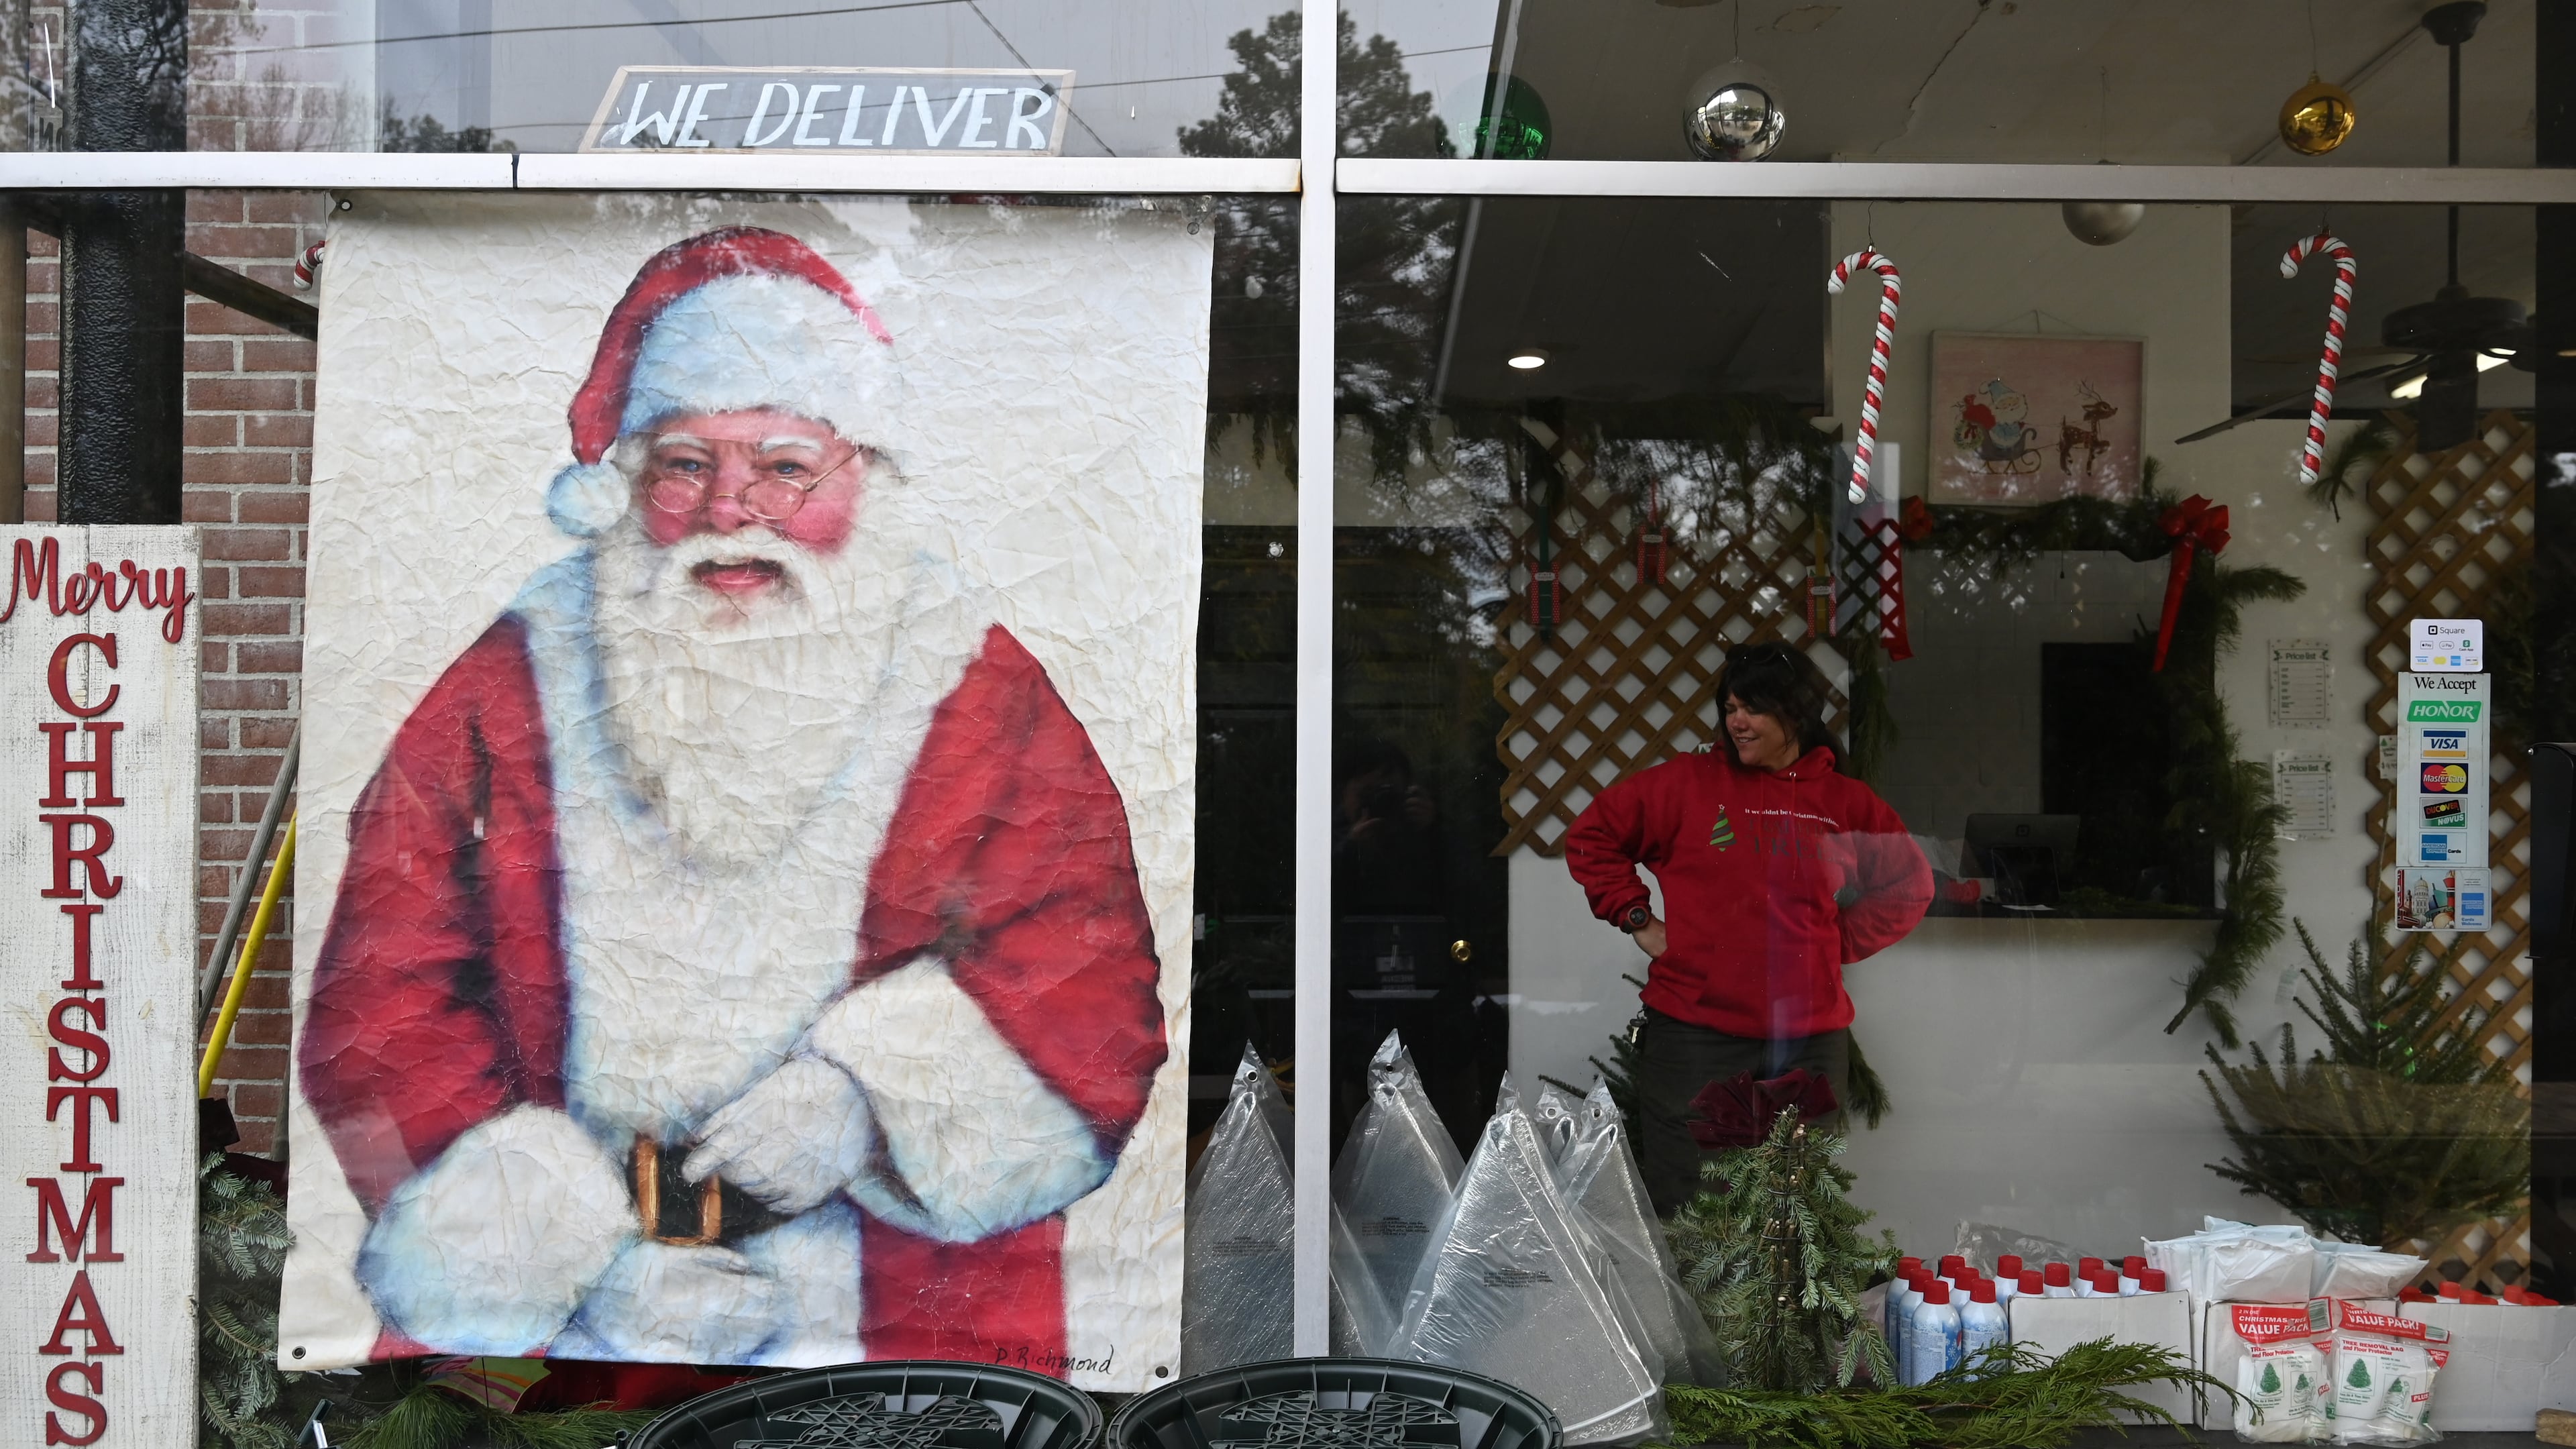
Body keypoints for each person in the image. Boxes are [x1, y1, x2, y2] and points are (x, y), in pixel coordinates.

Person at [297, 227, 1167, 1366]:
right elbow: (384, 996)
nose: (730, 509)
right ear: (627, 489)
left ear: (864, 480)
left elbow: (1087, 973)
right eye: (686, 465)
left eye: (784, 466)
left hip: (903, 1339)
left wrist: (868, 1098)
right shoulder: (518, 679)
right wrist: (580, 1270)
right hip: (579, 1368)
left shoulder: (970, 680)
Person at [1562, 641, 1930, 1212]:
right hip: (1695, 1035)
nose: (1737, 721)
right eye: (1730, 708)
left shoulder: (1843, 802)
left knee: (1797, 1213)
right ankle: (1695, 1309)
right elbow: (1592, 837)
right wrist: (1638, 918)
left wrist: (1829, 946)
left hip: (1808, 1040)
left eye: (1752, 709)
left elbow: (1910, 885)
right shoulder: (1686, 786)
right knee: (1694, 1211)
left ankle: (1785, 1310)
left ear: (1797, 713)